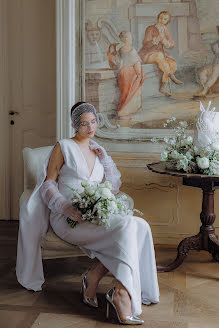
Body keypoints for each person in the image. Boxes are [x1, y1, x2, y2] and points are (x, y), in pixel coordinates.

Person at [16, 102, 159, 324]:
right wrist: (66, 207)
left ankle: (104, 282)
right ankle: (120, 296)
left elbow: (112, 188)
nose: (90, 127)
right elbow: (48, 184)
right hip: (68, 219)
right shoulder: (63, 146)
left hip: (95, 216)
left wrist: (105, 161)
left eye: (93, 122)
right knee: (129, 227)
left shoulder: (97, 149)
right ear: (74, 125)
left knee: (140, 226)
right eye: (84, 124)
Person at [138, 11, 183, 96]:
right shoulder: (150, 28)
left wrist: (167, 43)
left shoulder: (165, 30)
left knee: (171, 62)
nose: (162, 20)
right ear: (158, 18)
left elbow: (171, 43)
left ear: (167, 21)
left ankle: (164, 85)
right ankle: (170, 77)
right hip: (148, 53)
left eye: (165, 19)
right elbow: (145, 44)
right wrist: (156, 40)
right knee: (160, 56)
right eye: (161, 18)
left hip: (160, 53)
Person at [108, 31, 145, 120]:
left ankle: (123, 112)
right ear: (126, 39)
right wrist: (140, 75)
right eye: (130, 37)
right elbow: (136, 64)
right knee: (128, 93)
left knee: (125, 93)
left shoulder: (120, 49)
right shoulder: (132, 50)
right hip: (129, 74)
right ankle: (121, 113)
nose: (132, 38)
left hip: (123, 73)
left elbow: (119, 62)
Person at [195, 26, 219, 97]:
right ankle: (207, 89)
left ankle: (204, 91)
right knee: (202, 72)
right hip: (215, 64)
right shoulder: (215, 44)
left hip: (217, 66)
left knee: (215, 73)